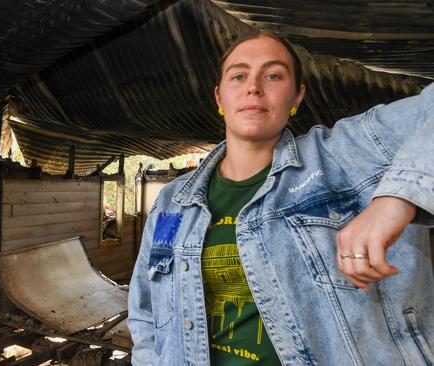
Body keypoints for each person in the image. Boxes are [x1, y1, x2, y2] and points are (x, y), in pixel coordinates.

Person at [127, 30, 434, 365]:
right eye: (239, 75)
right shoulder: (173, 202)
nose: (254, 87)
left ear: (297, 96)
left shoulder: (346, 156)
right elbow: (145, 314)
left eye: (273, 75)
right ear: (219, 97)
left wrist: (394, 201)